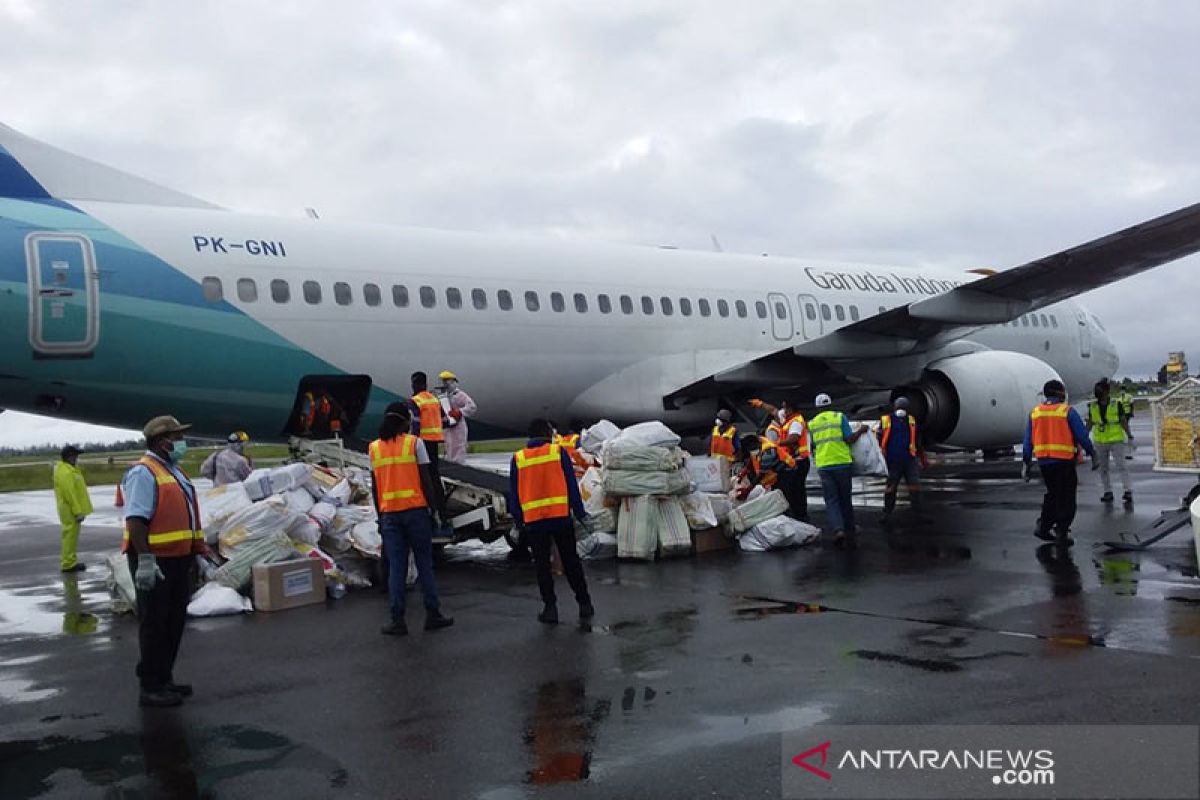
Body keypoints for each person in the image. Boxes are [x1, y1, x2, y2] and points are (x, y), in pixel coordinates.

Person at [121, 416, 208, 708]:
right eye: (176, 436)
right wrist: (145, 559)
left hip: (178, 559)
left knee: (173, 623)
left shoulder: (173, 470)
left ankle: (164, 677)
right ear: (161, 441)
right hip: (155, 561)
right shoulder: (143, 473)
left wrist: (196, 554)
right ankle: (151, 686)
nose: (181, 441)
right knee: (154, 624)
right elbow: (136, 520)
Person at [368, 402, 454, 636]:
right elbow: (426, 479)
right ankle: (432, 613)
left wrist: (380, 514)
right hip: (415, 512)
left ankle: (397, 619)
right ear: (405, 421)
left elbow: (375, 487)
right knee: (425, 564)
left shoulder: (374, 448)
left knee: (397, 567)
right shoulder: (414, 443)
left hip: (390, 515)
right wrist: (435, 510)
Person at [508, 419, 594, 624]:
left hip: (535, 522)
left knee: (542, 567)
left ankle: (550, 608)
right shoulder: (557, 453)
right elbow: (571, 485)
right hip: (560, 517)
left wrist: (519, 521)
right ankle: (584, 603)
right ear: (547, 433)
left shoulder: (518, 458)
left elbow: (514, 494)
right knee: (571, 562)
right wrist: (580, 513)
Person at [1022, 379, 1097, 547]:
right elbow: (1081, 436)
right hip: (1063, 461)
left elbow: (1028, 441)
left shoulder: (1035, 413)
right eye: (1062, 391)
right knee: (1067, 497)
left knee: (1053, 494)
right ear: (1058, 393)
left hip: (1045, 462)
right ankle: (1062, 531)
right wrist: (1092, 453)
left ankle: (1044, 526)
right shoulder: (1066, 411)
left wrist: (1026, 463)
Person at [808, 393, 869, 547]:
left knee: (831, 500)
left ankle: (838, 530)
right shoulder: (839, 417)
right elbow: (849, 439)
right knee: (845, 498)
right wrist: (861, 430)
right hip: (842, 463)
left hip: (824, 465)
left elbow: (813, 445)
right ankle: (850, 527)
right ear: (830, 404)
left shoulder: (813, 423)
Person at [752, 398, 811, 520]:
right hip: (792, 461)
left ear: (790, 409)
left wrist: (776, 443)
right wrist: (761, 404)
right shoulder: (787, 418)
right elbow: (773, 410)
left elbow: (793, 438)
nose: (782, 410)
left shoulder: (795, 422)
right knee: (790, 491)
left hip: (799, 461)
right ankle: (795, 517)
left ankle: (801, 518)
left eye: (784, 407)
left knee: (797, 492)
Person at [878, 398, 928, 521]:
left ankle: (918, 514)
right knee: (891, 487)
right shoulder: (886, 420)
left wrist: (922, 458)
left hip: (909, 459)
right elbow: (879, 438)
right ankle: (887, 513)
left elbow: (917, 441)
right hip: (893, 460)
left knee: (914, 486)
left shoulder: (912, 421)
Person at [1086, 380, 1133, 505]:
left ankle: (1127, 490)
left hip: (1115, 439)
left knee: (1121, 465)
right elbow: (1090, 422)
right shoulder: (1093, 406)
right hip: (1100, 440)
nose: (1097, 393)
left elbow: (1123, 421)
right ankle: (1107, 491)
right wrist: (1084, 436)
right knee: (1103, 468)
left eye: (1099, 391)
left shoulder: (1116, 404)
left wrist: (1128, 434)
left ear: (1106, 391)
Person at [53, 444, 92, 573]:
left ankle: (70, 561)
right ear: (69, 457)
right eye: (75, 456)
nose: (77, 458)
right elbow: (70, 494)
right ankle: (68, 564)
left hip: (70, 509)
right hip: (69, 510)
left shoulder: (70, 470)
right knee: (69, 536)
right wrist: (77, 511)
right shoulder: (65, 472)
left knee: (72, 537)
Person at [411, 371, 446, 509]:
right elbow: (445, 420)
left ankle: (430, 506)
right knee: (434, 476)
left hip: (421, 443)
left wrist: (413, 442)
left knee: (423, 477)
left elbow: (415, 424)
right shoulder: (434, 400)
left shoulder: (415, 401)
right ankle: (441, 506)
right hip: (434, 441)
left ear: (414, 384)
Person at [438, 370, 478, 464]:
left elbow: (472, 406)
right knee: (449, 447)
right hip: (448, 427)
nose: (445, 383)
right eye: (443, 381)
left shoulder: (460, 395)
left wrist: (460, 412)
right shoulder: (443, 396)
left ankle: (459, 468)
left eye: (447, 380)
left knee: (459, 448)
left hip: (458, 427)